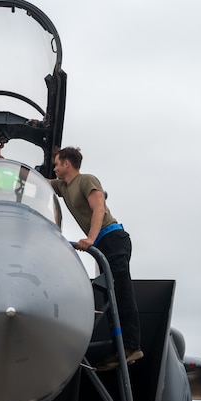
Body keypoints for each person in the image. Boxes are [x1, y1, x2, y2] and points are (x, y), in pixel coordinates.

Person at [49, 146, 142, 371]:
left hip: (112, 238)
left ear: (67, 164)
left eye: (57, 164)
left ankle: (132, 346)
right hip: (102, 244)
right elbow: (37, 180)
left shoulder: (86, 180)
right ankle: (119, 348)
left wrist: (90, 238)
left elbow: (98, 208)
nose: (54, 168)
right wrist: (4, 161)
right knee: (110, 294)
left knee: (121, 290)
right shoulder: (63, 186)